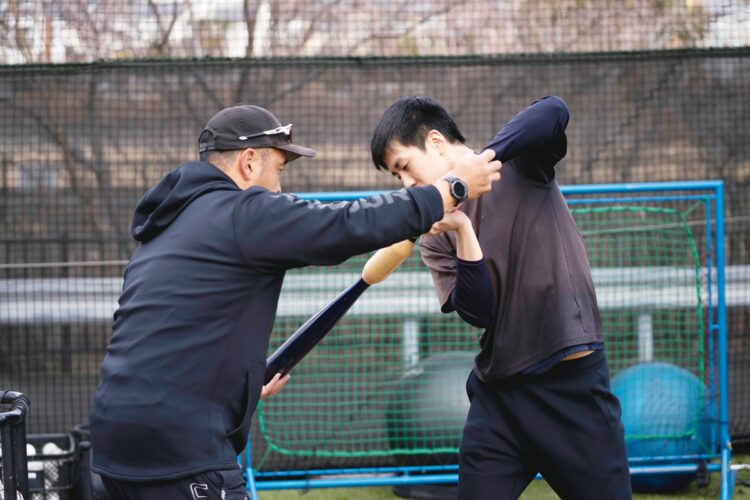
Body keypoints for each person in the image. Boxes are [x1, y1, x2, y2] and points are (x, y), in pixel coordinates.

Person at [89, 104, 501, 499]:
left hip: (111, 448)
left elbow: (172, 335)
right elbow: (346, 225)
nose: (280, 186)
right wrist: (451, 189)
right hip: (180, 450)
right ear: (249, 162)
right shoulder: (241, 212)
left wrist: (243, 386)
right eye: (278, 168)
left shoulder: (164, 228)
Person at [371, 96, 631, 499]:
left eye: (404, 166)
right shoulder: (436, 235)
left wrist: (482, 163)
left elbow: (554, 111)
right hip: (500, 397)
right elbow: (478, 312)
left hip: (571, 386)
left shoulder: (520, 165)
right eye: (395, 176)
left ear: (436, 142)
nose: (406, 183)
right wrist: (462, 231)